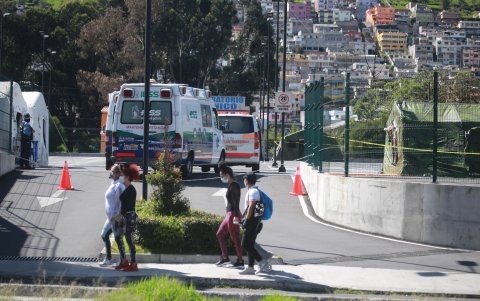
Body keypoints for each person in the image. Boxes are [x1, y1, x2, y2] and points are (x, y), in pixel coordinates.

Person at [239, 172, 268, 275]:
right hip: (254, 221)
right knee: (250, 244)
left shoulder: (252, 192)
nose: (244, 181)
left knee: (245, 244)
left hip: (252, 221)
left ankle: (262, 262)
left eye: (244, 179)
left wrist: (246, 220)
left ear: (246, 181)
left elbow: (251, 206)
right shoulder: (254, 190)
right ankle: (250, 268)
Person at [113, 164, 140, 272]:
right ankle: (123, 260)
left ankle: (133, 264)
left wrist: (117, 216)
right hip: (123, 217)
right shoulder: (126, 187)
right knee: (118, 237)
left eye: (123, 175)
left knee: (129, 240)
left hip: (129, 217)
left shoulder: (131, 190)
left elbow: (128, 207)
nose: (121, 176)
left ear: (128, 177)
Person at [215, 163, 244, 267]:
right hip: (229, 214)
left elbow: (236, 202)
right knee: (219, 234)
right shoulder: (231, 185)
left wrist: (236, 216)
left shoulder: (234, 185)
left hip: (233, 214)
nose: (221, 178)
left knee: (235, 238)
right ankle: (225, 258)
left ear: (227, 175)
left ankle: (240, 261)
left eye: (222, 176)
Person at [99, 164, 125, 267]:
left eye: (114, 172)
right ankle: (109, 259)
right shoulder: (113, 183)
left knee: (117, 239)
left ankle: (122, 260)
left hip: (115, 217)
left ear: (119, 173)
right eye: (111, 172)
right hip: (110, 217)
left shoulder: (119, 186)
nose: (112, 173)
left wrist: (118, 216)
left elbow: (121, 202)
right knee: (104, 235)